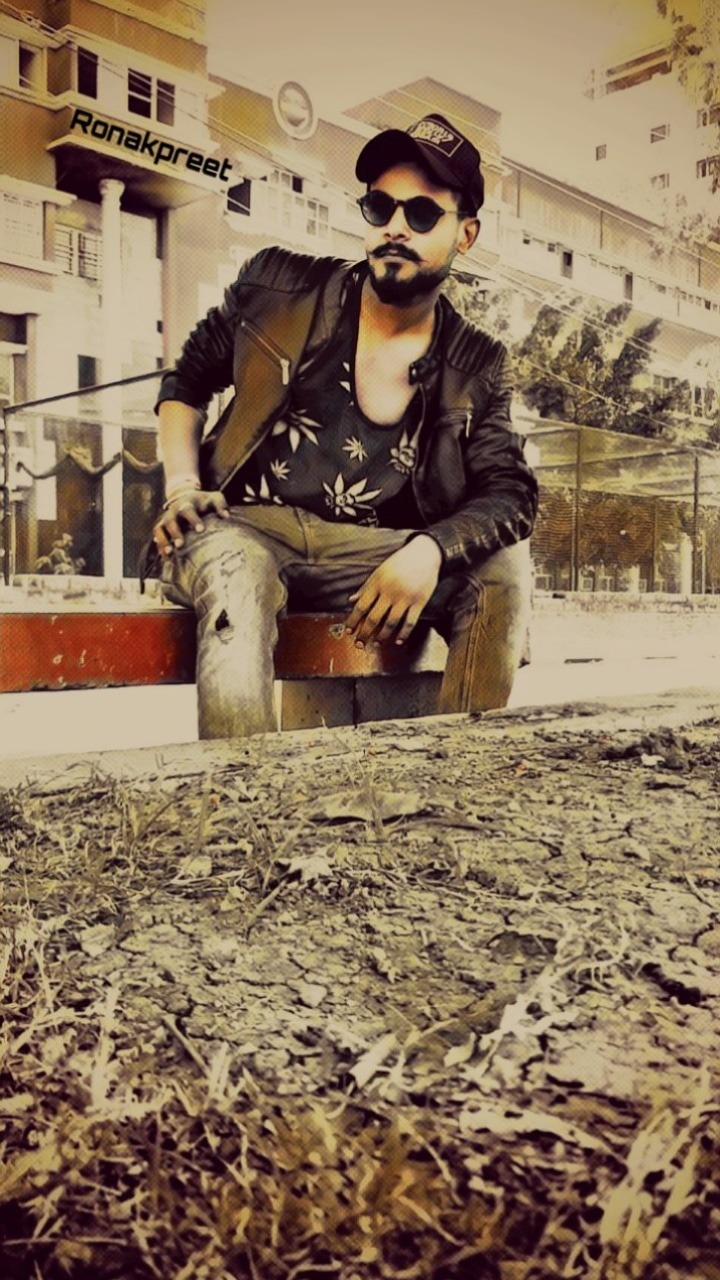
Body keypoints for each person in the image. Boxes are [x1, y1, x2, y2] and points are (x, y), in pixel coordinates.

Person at [150, 112, 538, 739]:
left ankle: (455, 768)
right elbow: (187, 379)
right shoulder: (277, 287)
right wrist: (181, 486)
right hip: (240, 529)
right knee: (238, 577)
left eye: (422, 214)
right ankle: (239, 787)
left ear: (465, 234)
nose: (394, 228)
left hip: (363, 559)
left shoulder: (477, 363)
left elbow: (511, 494)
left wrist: (429, 550)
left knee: (503, 568)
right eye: (380, 207)